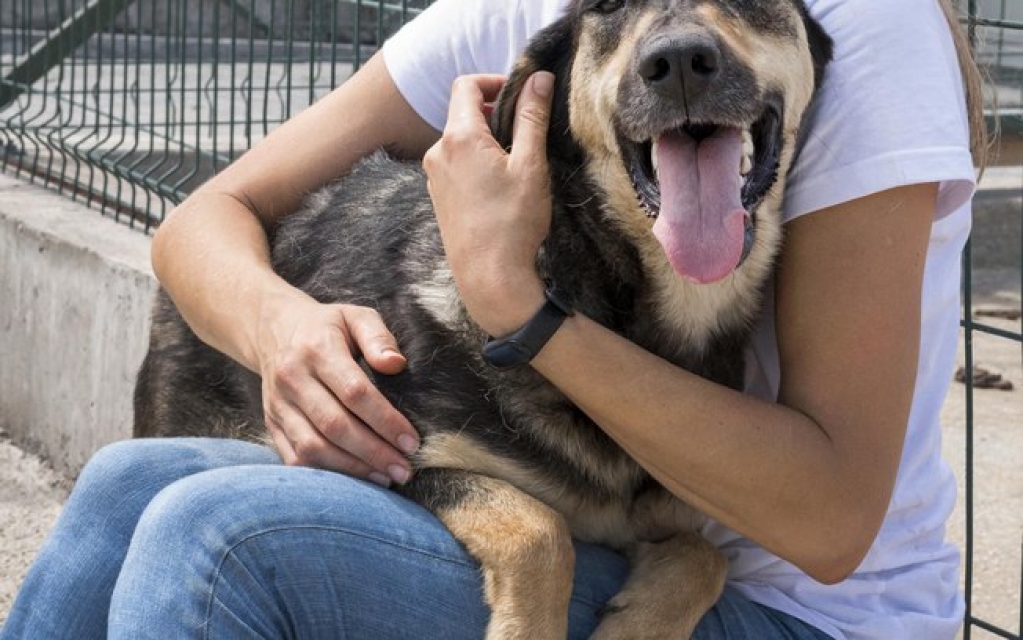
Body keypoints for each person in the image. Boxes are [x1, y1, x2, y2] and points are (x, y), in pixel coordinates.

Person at [1, 0, 987, 638]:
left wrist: (518, 306)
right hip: (591, 515)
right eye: (616, 10)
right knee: (124, 483)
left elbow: (829, 523)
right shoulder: (519, 17)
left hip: (805, 609)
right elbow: (197, 225)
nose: (680, 45)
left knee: (213, 538)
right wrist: (282, 333)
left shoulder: (869, 22)